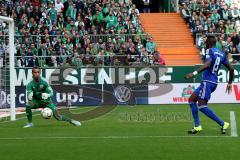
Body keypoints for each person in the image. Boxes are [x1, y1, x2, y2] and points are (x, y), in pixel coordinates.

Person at [185, 35, 234, 134]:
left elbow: (207, 64)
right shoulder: (222, 54)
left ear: (210, 43)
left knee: (202, 106)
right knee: (191, 100)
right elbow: (231, 69)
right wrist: (229, 83)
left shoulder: (210, 51)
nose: (205, 43)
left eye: (206, 42)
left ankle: (222, 123)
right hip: (212, 82)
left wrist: (193, 73)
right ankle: (197, 126)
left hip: (208, 82)